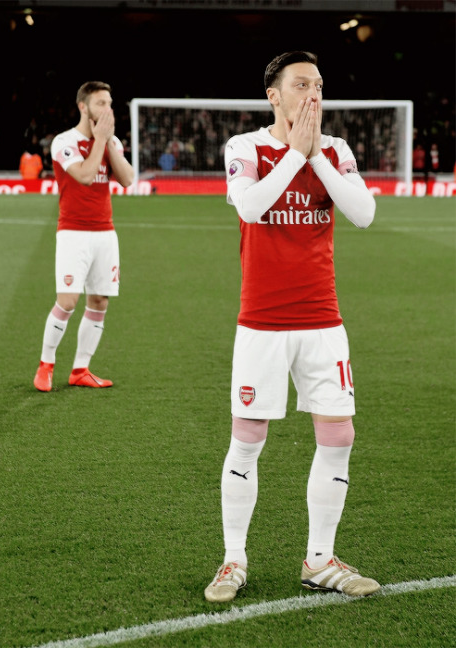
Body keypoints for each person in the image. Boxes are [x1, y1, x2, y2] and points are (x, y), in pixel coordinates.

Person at [204, 51, 380, 602]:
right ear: (273, 95)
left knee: (339, 434)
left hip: (322, 318)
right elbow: (251, 207)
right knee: (249, 438)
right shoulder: (245, 147)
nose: (313, 95)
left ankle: (320, 560)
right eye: (301, 84)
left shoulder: (336, 150)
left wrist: (316, 158)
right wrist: (292, 156)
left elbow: (364, 212)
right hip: (262, 320)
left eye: (319, 85)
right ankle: (233, 561)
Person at [33, 81, 134, 392]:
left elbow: (128, 179)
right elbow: (86, 176)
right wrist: (101, 141)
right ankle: (46, 365)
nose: (107, 109)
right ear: (83, 107)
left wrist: (107, 142)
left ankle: (80, 369)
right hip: (73, 233)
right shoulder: (64, 142)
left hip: (105, 232)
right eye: (101, 103)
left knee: (100, 300)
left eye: (109, 103)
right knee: (67, 300)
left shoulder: (110, 140)